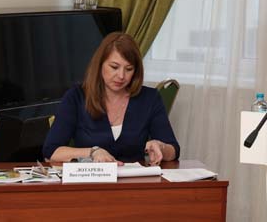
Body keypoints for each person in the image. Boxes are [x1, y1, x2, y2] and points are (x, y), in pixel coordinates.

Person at [43, 32, 180, 164]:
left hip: (134, 178)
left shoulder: (150, 98)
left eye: (129, 69)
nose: (121, 76)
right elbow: (51, 151)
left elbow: (174, 150)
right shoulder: (76, 97)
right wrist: (92, 152)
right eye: (114, 67)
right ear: (100, 64)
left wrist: (161, 147)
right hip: (92, 178)